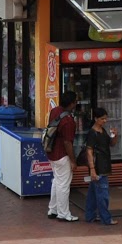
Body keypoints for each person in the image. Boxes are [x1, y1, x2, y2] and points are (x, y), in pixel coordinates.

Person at [46, 90, 80, 223]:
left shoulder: (55, 111)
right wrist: (73, 161)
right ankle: (63, 213)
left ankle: (53, 209)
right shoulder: (68, 121)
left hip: (51, 152)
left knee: (56, 181)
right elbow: (68, 143)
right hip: (62, 155)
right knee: (63, 185)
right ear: (72, 104)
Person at [83, 108, 117, 225]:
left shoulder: (102, 131)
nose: (105, 121)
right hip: (99, 167)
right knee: (103, 194)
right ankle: (105, 218)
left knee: (93, 193)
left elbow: (111, 144)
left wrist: (114, 136)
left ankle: (90, 215)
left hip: (103, 164)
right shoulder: (93, 133)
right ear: (96, 119)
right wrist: (92, 169)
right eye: (102, 119)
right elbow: (89, 151)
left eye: (105, 118)